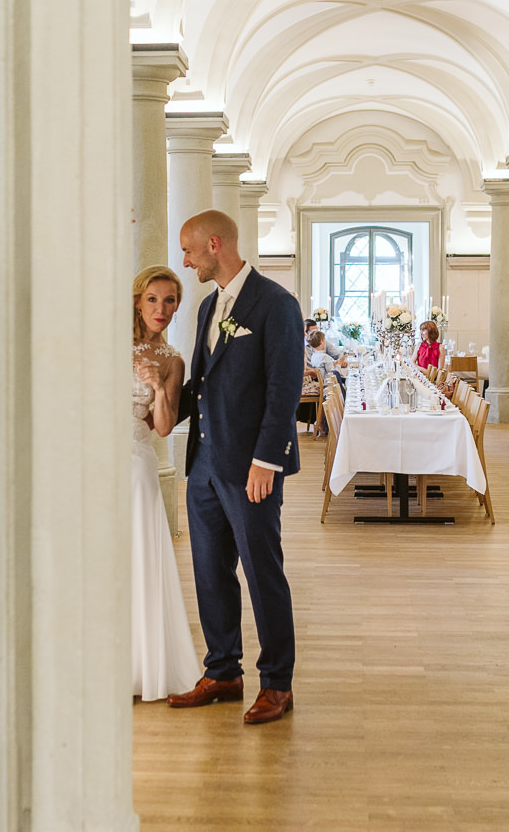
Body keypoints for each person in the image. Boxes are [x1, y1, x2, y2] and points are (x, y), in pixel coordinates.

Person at [168, 209, 301, 725]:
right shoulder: (206, 307)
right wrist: (151, 402)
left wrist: (267, 460)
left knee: (262, 571)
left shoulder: (276, 304)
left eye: (190, 250)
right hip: (203, 465)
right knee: (209, 572)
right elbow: (203, 384)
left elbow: (283, 388)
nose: (185, 261)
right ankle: (223, 669)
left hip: (251, 468)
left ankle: (277, 682)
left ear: (215, 244)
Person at [130, 266, 204, 701]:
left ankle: (141, 667)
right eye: (154, 299)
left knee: (139, 560)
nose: (162, 309)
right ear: (138, 301)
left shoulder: (172, 360)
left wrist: (158, 388)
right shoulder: (104, 342)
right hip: (92, 463)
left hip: (135, 464)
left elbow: (162, 428)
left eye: (171, 300)